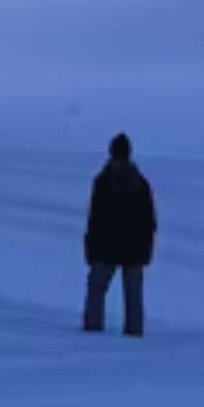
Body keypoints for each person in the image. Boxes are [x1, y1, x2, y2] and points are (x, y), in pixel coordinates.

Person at [83, 132, 157, 336]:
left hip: (106, 246)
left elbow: (94, 218)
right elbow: (149, 221)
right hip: (134, 248)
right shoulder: (141, 183)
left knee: (96, 288)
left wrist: (90, 247)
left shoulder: (103, 181)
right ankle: (134, 332)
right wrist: (146, 249)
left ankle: (92, 330)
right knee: (134, 294)